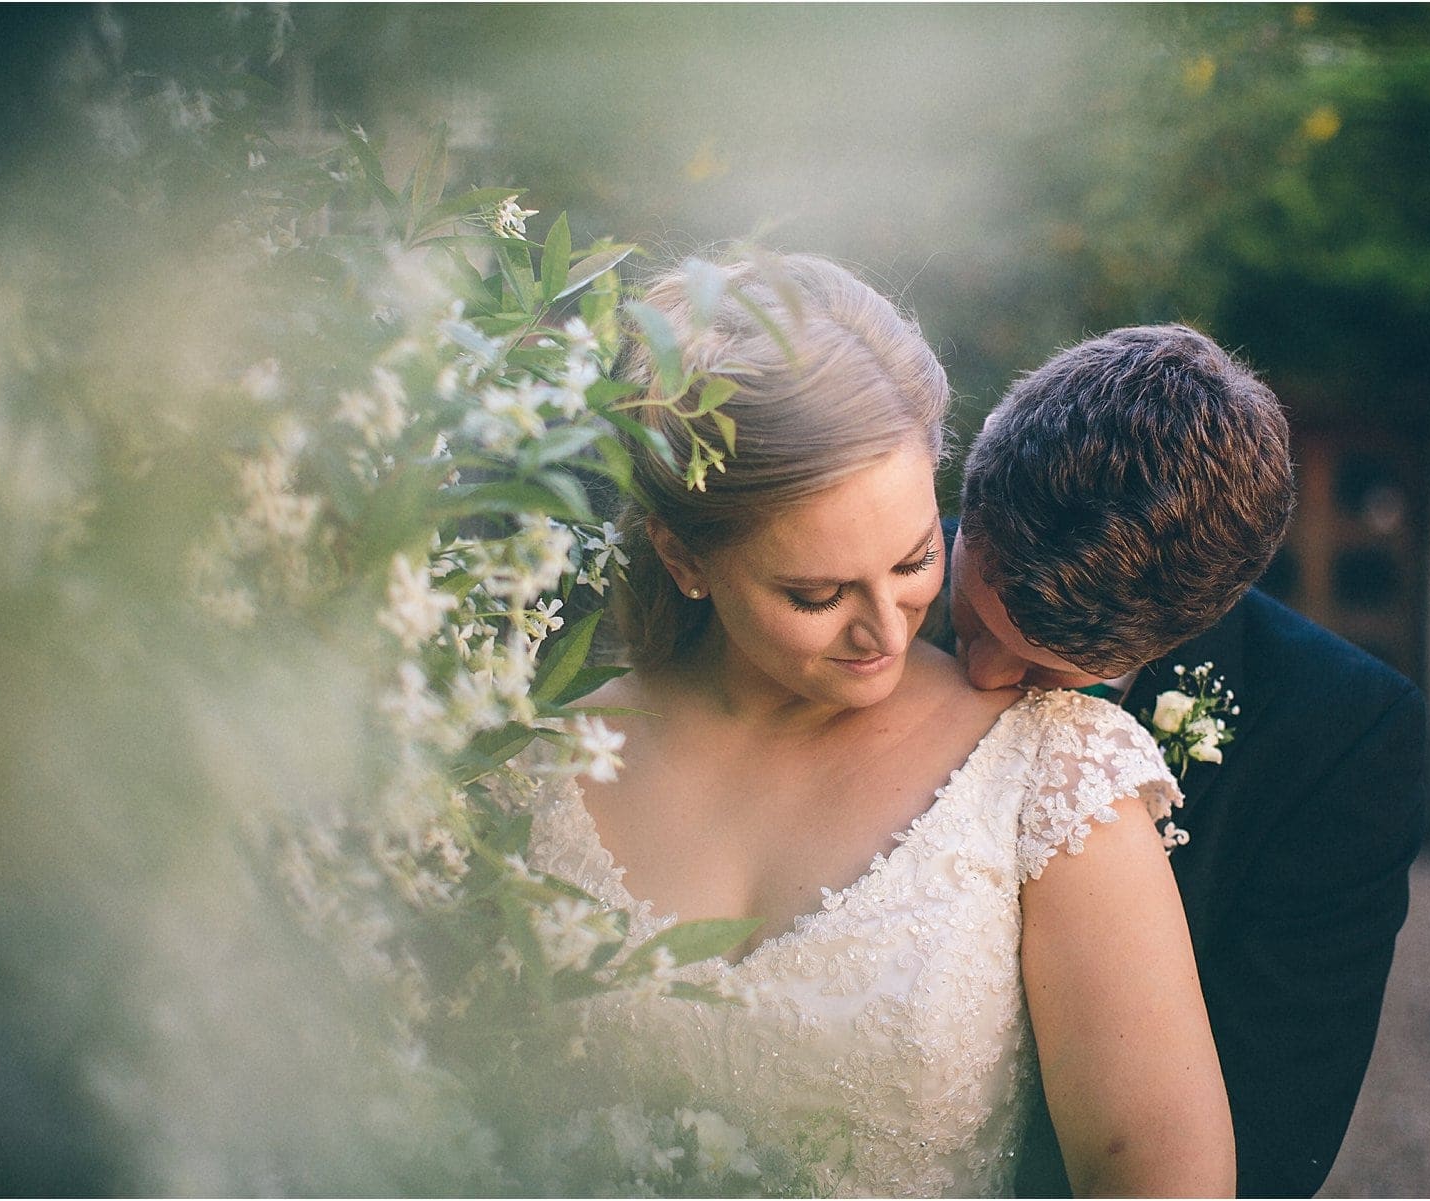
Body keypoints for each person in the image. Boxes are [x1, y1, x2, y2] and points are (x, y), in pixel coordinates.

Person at [521, 256, 1235, 1196]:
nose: (885, 629)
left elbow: (1160, 1175)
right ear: (684, 553)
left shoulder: (1053, 773)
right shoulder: (526, 765)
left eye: (913, 559)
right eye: (815, 593)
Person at [943, 325, 1428, 1198]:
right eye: (973, 618)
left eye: (1039, 665)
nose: (977, 674)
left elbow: (1268, 1143)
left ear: (1185, 626)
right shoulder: (863, 592)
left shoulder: (1338, 737)